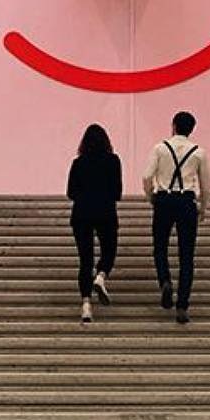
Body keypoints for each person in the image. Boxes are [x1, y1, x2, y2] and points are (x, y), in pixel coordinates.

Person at [142, 111, 210, 324]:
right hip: (186, 201)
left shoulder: (160, 148)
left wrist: (151, 197)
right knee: (186, 255)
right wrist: (203, 208)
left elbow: (147, 176)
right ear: (192, 129)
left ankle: (165, 280)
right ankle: (182, 305)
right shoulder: (199, 152)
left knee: (160, 247)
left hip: (164, 199)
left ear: (173, 126)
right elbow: (206, 186)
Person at [66, 123, 123, 324]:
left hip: (81, 214)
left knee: (85, 259)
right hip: (106, 212)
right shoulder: (113, 161)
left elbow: (70, 192)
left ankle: (86, 305)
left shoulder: (78, 162)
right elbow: (117, 192)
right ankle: (101, 275)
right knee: (109, 250)